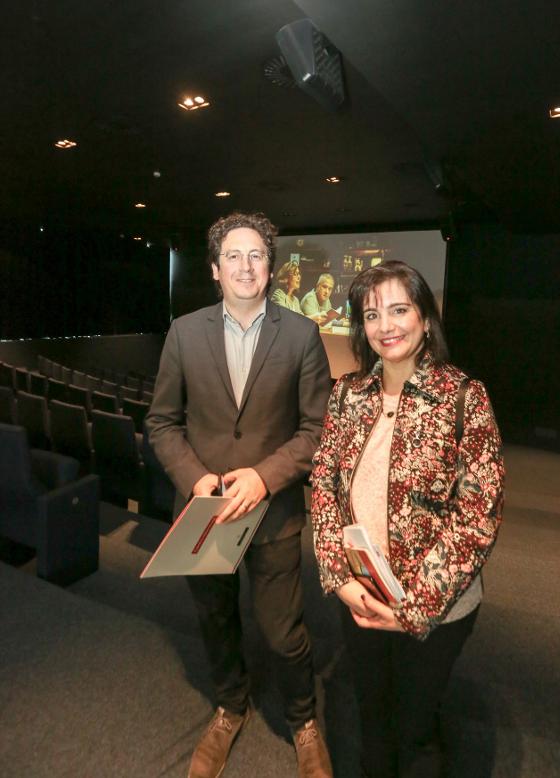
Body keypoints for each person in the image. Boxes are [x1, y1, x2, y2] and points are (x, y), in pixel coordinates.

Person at [145, 212, 333, 778]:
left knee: (282, 634)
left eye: (256, 255)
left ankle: (303, 719)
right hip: (205, 514)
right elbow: (161, 424)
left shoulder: (301, 334)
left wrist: (265, 476)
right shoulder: (183, 332)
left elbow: (317, 429)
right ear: (214, 269)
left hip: (272, 514)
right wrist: (193, 477)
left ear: (270, 269)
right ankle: (230, 705)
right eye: (234, 255)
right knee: (215, 621)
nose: (245, 265)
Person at [311, 260, 504, 778]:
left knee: (415, 727)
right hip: (363, 593)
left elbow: (477, 519)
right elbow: (325, 489)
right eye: (372, 314)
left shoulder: (464, 397)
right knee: (371, 716)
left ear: (424, 319)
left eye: (399, 310)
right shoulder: (347, 395)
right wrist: (340, 578)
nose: (385, 325)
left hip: (436, 608)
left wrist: (412, 609)